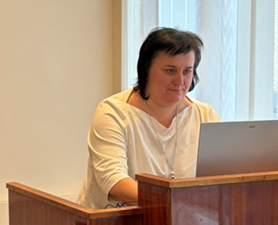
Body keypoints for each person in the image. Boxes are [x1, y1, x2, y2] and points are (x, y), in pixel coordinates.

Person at [77, 27, 220, 209]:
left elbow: (219, 179)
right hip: (110, 221)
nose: (180, 81)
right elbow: (114, 182)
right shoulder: (113, 113)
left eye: (187, 71)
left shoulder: (205, 115)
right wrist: (174, 202)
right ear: (146, 70)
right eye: (170, 71)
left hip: (182, 219)